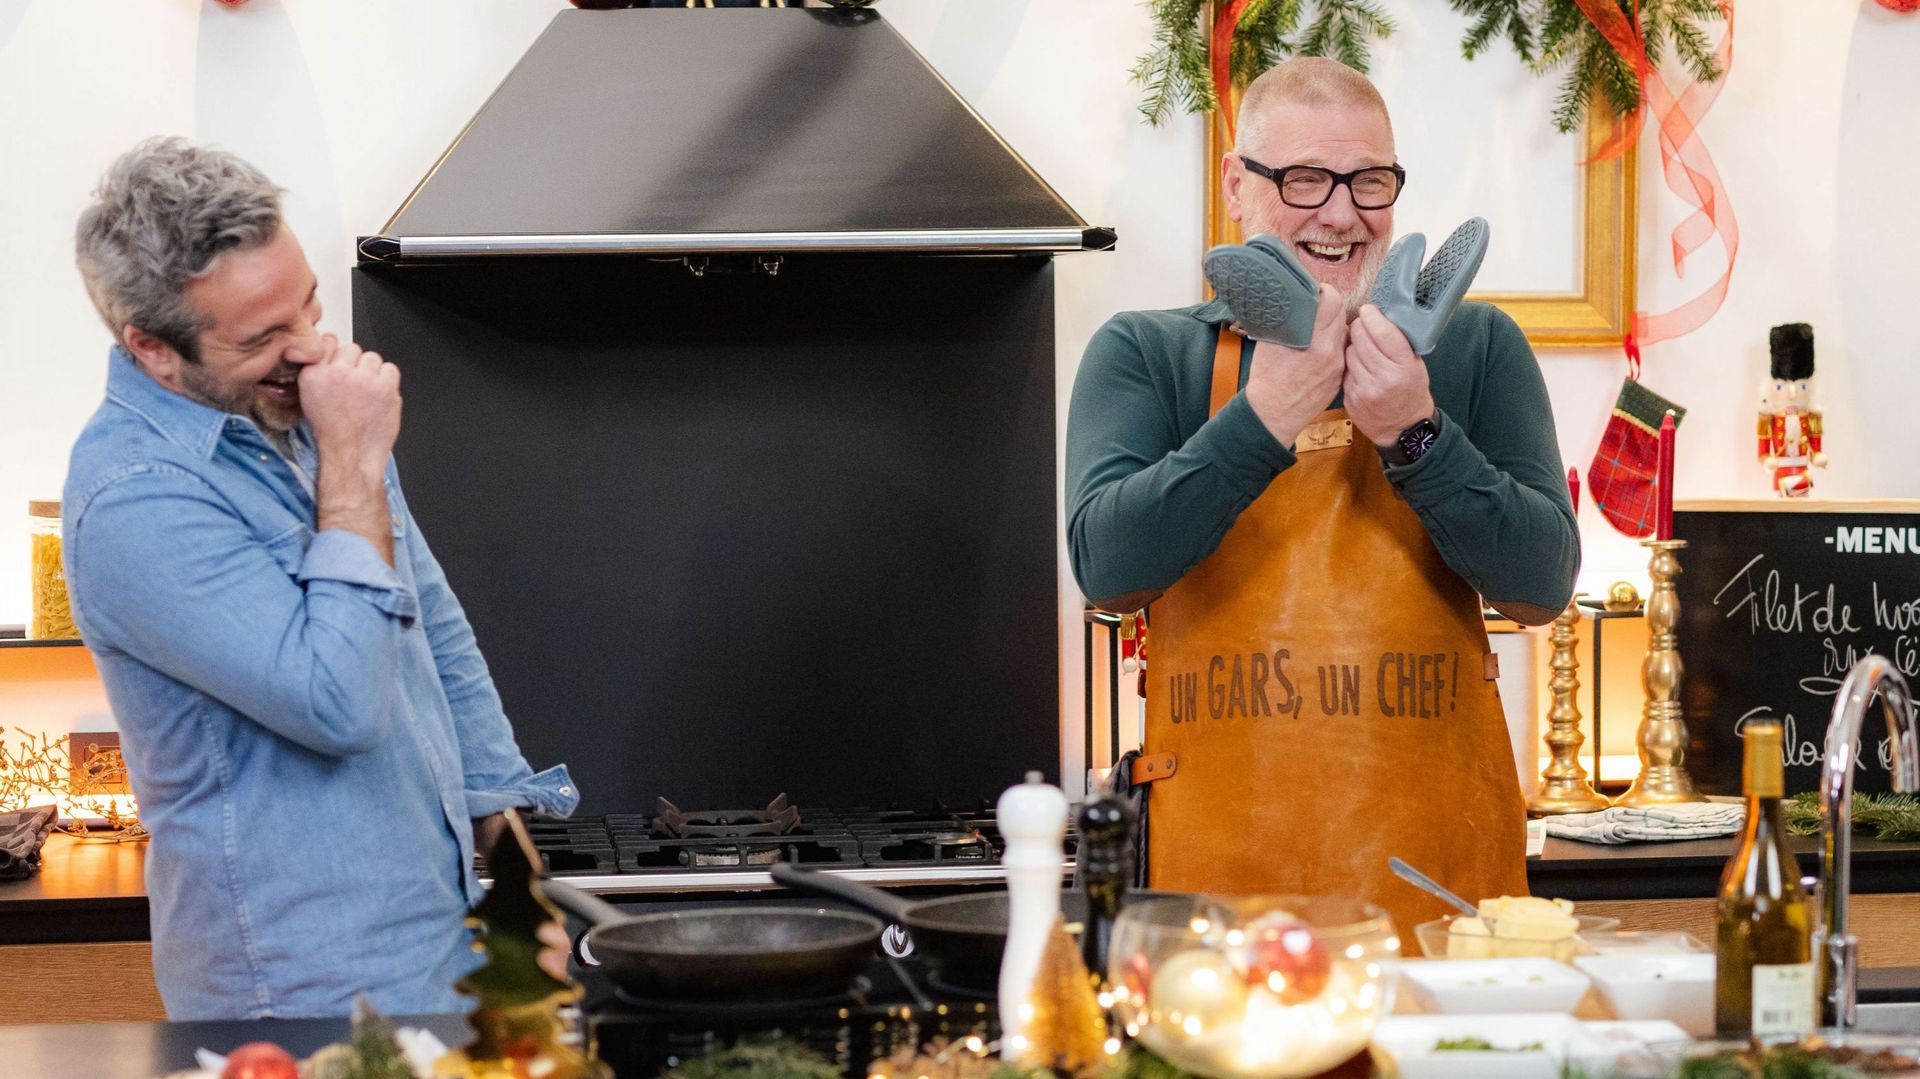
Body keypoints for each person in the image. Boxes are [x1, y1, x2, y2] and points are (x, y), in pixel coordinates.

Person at [65, 137, 580, 1020]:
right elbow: (336, 703)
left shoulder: (304, 419)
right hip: (297, 985)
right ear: (151, 347)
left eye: (308, 305)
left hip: (437, 939)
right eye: (266, 336)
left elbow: (435, 630)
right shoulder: (134, 501)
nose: (312, 349)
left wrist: (516, 889)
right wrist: (353, 462)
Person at [1066, 59, 1578, 937]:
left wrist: (1418, 433)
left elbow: (1540, 585)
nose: (1341, 213)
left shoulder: (1477, 348)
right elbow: (1109, 571)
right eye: (1304, 179)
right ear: (1238, 184)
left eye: (1368, 181)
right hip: (1214, 912)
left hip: (1440, 904)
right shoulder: (1146, 355)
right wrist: (1262, 418)